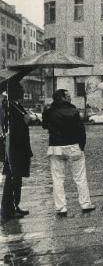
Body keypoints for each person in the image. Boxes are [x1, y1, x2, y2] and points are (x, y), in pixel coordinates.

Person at [42, 89, 95, 215]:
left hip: (56, 148)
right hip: (74, 146)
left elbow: (44, 126)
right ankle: (85, 203)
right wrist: (81, 146)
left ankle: (61, 207)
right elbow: (81, 130)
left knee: (57, 179)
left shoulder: (49, 112)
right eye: (68, 96)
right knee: (80, 177)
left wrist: (47, 112)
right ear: (63, 98)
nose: (70, 97)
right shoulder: (73, 111)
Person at [1, 82, 32, 222]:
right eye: (20, 89)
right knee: (12, 179)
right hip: (14, 148)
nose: (22, 91)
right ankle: (8, 209)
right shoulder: (8, 106)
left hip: (20, 148)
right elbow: (10, 128)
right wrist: (24, 121)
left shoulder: (15, 105)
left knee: (16, 180)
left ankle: (14, 206)